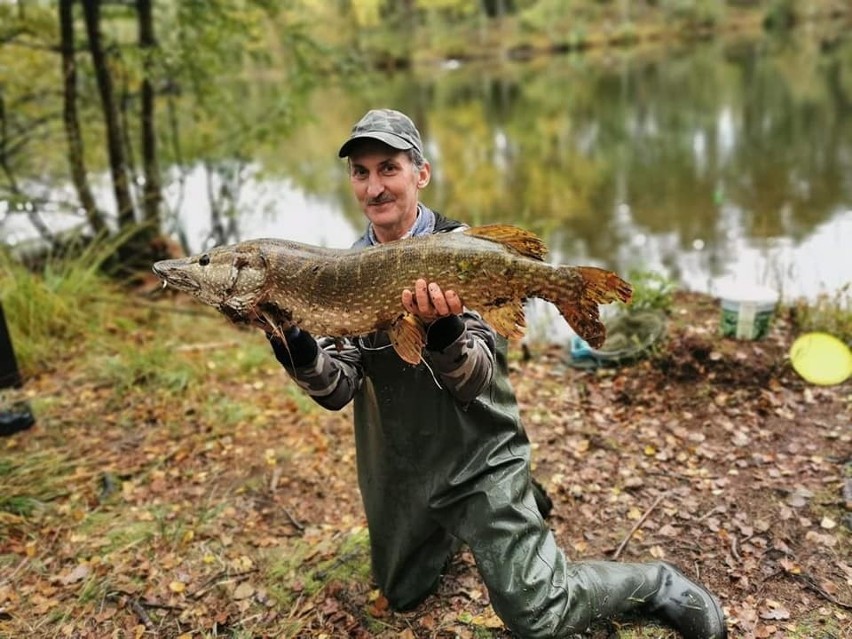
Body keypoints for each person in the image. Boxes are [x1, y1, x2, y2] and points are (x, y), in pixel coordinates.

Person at [262, 108, 727, 639]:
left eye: (388, 168)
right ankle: (476, 521)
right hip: (399, 464)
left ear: (421, 173)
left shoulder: (467, 254)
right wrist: (290, 339)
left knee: (537, 616)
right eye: (361, 172)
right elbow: (336, 389)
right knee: (401, 593)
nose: (374, 187)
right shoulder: (341, 274)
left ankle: (654, 580)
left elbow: (475, 379)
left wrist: (441, 330)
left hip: (478, 453)